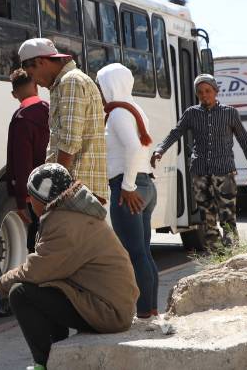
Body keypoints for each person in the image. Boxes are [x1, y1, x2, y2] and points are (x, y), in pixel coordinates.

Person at [0, 163, 138, 370]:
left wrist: (2, 285)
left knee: (20, 293)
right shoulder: (73, 213)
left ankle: (43, 364)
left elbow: (35, 271)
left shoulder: (64, 223)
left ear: (42, 199)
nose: (27, 200)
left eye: (31, 196)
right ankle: (58, 354)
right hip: (113, 305)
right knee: (49, 285)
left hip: (109, 313)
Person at [151, 73, 247, 253]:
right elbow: (175, 133)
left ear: (215, 91)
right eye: (200, 92)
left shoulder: (229, 113)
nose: (204, 95)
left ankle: (232, 255)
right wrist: (160, 149)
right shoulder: (191, 114)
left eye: (208, 91)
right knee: (207, 219)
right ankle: (217, 257)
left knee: (227, 217)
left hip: (225, 172)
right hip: (200, 173)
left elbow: (245, 142)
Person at [96, 63, 159, 318]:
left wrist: (127, 186)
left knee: (134, 254)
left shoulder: (119, 113)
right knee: (142, 252)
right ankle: (150, 309)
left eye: (101, 84)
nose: (99, 90)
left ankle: (144, 311)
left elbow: (133, 147)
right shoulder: (134, 108)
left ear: (109, 85)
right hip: (144, 185)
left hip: (130, 188)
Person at [18, 38, 108, 206]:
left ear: (40, 61)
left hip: (74, 192)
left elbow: (69, 142)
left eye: (31, 75)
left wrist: (52, 191)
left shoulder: (70, 81)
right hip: (75, 191)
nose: (34, 82)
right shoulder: (65, 82)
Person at [6, 67, 50, 253]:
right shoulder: (50, 109)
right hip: (55, 185)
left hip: (36, 191)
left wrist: (22, 201)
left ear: (14, 94)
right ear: (36, 87)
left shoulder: (21, 118)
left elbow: (22, 163)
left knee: (36, 241)